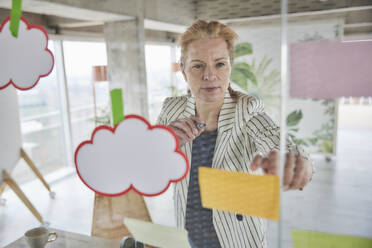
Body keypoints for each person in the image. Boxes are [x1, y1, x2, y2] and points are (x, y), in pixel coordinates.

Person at [156, 19, 314, 248]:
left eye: (219, 64)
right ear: (183, 71)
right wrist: (163, 142)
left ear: (230, 66)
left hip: (237, 238)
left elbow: (285, 147)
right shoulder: (172, 109)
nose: (210, 76)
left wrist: (301, 165)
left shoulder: (247, 109)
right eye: (198, 66)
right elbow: (148, 166)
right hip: (188, 236)